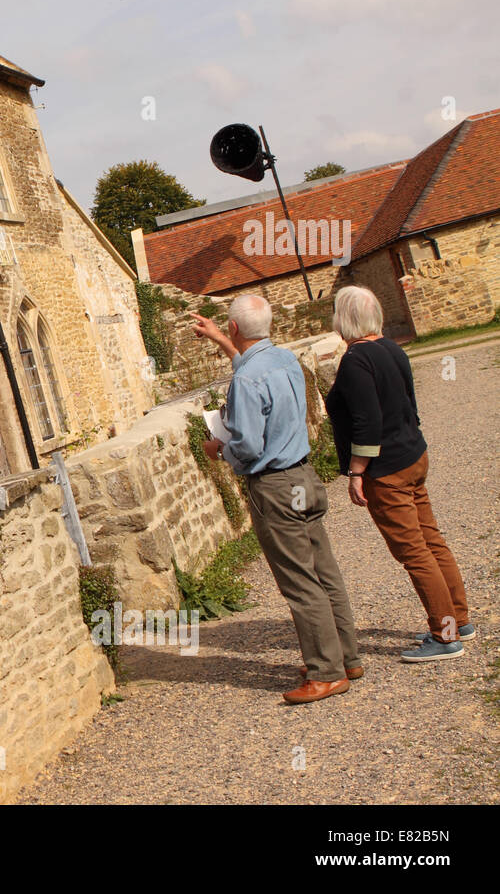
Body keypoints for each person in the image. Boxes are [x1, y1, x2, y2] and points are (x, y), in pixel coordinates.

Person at [192, 295, 361, 704]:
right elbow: (252, 367)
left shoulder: (247, 381)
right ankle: (347, 657)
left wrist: (219, 449)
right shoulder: (285, 360)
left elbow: (248, 445)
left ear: (235, 328)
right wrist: (222, 341)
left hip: (274, 486)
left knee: (300, 583)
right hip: (304, 476)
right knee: (325, 571)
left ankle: (326, 672)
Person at [325, 285, 472, 662]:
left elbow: (367, 421)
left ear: (344, 320)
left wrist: (357, 472)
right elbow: (409, 403)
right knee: (431, 540)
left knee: (415, 552)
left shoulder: (356, 359)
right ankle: (460, 618)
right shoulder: (392, 348)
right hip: (411, 455)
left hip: (388, 468)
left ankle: (445, 635)